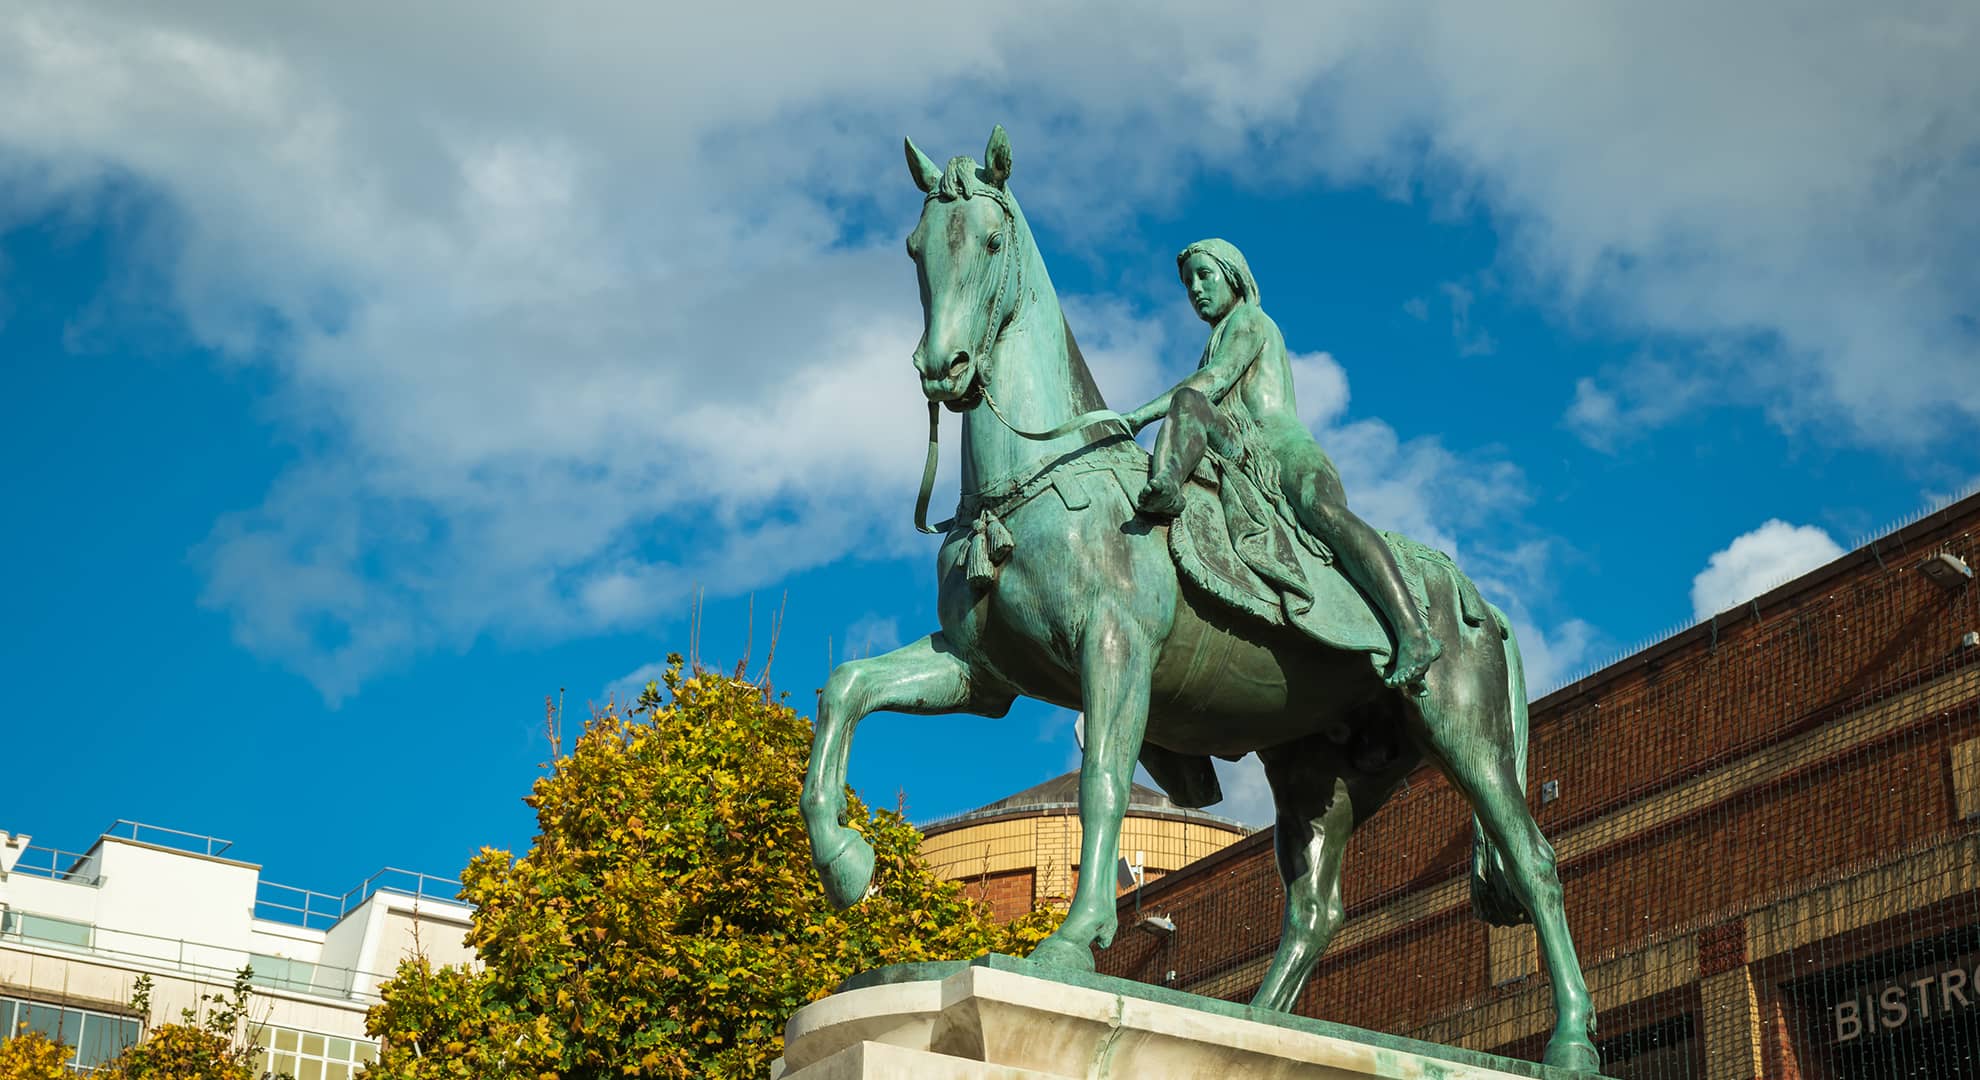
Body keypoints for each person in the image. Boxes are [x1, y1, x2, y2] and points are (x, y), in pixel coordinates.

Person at [1123, 238, 1443, 691]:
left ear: (1234, 277)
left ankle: (1413, 631)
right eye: (1188, 282)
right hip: (1242, 447)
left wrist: (1137, 416)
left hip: (1284, 448)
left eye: (1204, 275)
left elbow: (1214, 381)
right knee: (1188, 405)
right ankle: (1167, 486)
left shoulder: (1250, 320)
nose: (1195, 289)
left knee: (1324, 512)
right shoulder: (1214, 339)